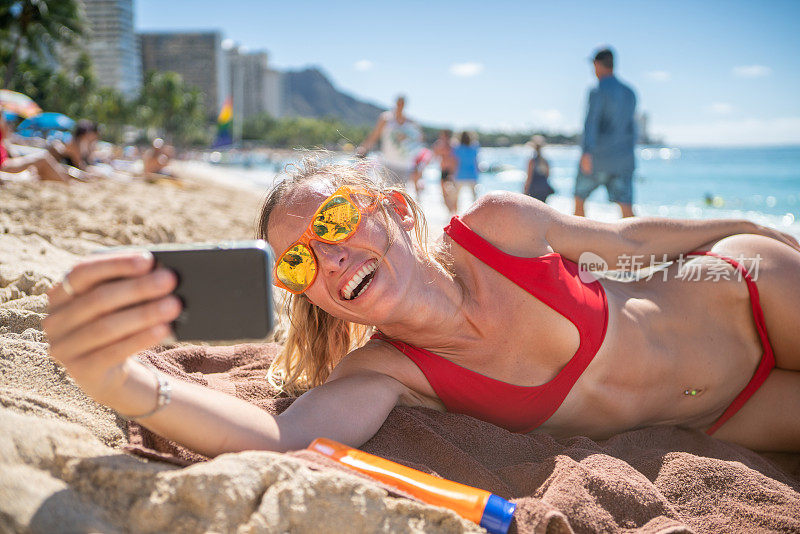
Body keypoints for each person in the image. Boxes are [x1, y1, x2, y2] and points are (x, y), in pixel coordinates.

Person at [44, 155, 800, 458]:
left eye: (336, 222)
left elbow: (629, 242)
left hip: (739, 290)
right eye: (303, 258)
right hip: (728, 410)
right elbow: (281, 440)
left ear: (398, 211)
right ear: (307, 291)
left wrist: (745, 229)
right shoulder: (391, 373)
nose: (332, 256)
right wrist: (126, 384)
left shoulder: (500, 229)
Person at [575, 47, 637, 218]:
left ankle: (578, 243)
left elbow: (591, 123)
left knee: (579, 199)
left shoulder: (597, 90)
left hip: (598, 157)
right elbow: (632, 129)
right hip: (623, 158)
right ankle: (637, 243)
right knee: (626, 207)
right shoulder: (630, 92)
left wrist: (586, 152)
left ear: (597, 64)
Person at [357, 95, 424, 194]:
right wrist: (364, 147)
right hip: (388, 163)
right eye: (399, 103)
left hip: (406, 164)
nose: (400, 106)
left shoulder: (411, 122)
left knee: (401, 194)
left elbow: (417, 141)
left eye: (402, 104)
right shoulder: (386, 118)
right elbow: (375, 134)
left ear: (404, 105)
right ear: (396, 103)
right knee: (388, 194)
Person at [0, 111, 71, 183]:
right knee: (43, 159)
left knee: (44, 159)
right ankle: (66, 183)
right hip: (4, 166)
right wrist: (19, 177)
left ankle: (66, 181)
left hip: (6, 162)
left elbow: (7, 137)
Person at [451, 131, 479, 214]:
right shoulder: (475, 147)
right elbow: (476, 161)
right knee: (474, 198)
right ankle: (475, 215)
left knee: (456, 197)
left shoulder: (457, 148)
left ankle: (455, 215)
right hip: (472, 175)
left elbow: (454, 162)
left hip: (459, 175)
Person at [432, 129, 458, 216]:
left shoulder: (452, 145)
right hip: (446, 171)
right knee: (446, 193)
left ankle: (453, 212)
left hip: (450, 171)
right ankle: (451, 212)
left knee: (451, 193)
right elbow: (435, 154)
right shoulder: (444, 144)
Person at [523, 135, 554, 203]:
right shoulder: (545, 161)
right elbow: (548, 175)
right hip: (544, 187)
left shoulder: (532, 161)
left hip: (534, 188)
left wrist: (525, 189)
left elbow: (529, 177)